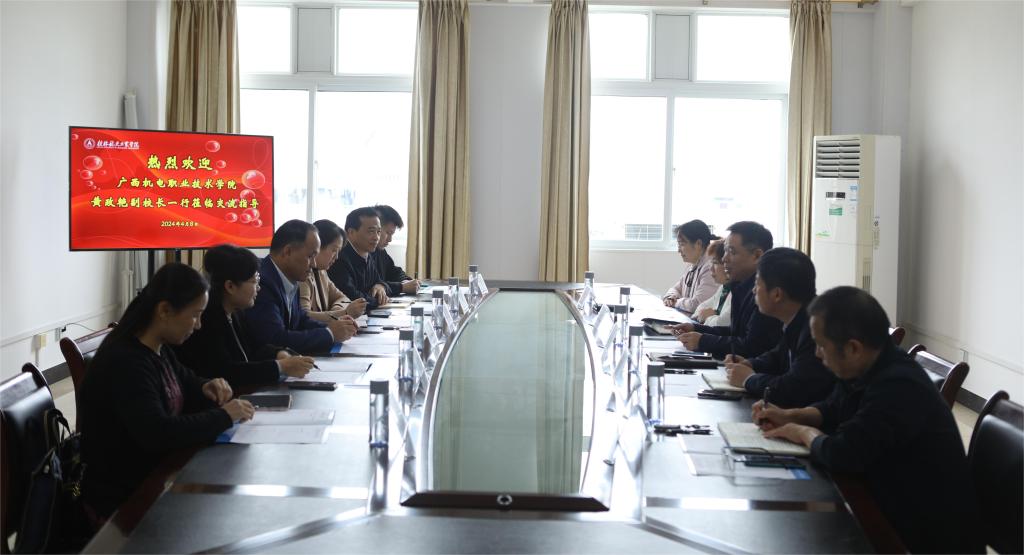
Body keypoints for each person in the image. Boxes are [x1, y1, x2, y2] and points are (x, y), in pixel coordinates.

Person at [752, 287, 984, 554]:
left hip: (924, 535)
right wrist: (790, 415)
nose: (817, 353)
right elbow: (833, 407)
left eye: (821, 345)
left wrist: (802, 432)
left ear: (853, 348)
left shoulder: (898, 385)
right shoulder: (870, 363)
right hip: (888, 504)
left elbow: (844, 453)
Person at [80, 263, 255, 520]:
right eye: (195, 315)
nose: (198, 325)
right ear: (164, 310)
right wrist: (224, 416)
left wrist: (205, 385)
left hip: (156, 475)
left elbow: (184, 380)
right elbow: (159, 433)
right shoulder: (126, 362)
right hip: (127, 496)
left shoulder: (157, 347)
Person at [175, 244, 315, 389]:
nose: (259, 288)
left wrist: (279, 353)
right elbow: (225, 372)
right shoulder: (207, 320)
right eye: (254, 281)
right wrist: (280, 367)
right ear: (230, 286)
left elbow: (254, 348)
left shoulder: (235, 312)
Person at [723, 248, 835, 408]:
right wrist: (751, 364)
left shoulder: (816, 328)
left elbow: (795, 389)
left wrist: (749, 379)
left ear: (777, 294)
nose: (753, 290)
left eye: (757, 284)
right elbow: (778, 355)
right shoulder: (797, 316)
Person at [671, 221, 782, 359]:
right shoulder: (740, 286)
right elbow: (735, 333)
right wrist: (697, 329)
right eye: (725, 251)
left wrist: (703, 341)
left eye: (731, 252)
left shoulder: (765, 292)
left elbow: (752, 347)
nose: (724, 259)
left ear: (757, 256)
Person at [247, 219, 357, 354]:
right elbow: (275, 339)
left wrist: (334, 327)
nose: (314, 263)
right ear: (287, 252)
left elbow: (300, 320)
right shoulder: (263, 283)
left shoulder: (290, 277)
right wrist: (330, 334)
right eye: (310, 256)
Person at [300, 219, 368, 322]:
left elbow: (343, 299)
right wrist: (343, 313)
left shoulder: (322, 272)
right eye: (334, 250)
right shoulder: (302, 275)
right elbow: (304, 317)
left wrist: (336, 311)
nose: (336, 257)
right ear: (318, 246)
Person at [327, 207, 392, 309]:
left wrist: (381, 286)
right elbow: (352, 297)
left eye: (379, 232)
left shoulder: (367, 254)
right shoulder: (339, 258)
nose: (376, 237)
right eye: (371, 231)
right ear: (351, 232)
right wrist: (379, 301)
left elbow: (379, 280)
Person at [663, 220, 719, 315]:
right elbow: (676, 289)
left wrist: (676, 302)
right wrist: (670, 297)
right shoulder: (692, 265)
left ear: (698, 244)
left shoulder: (711, 267)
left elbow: (697, 305)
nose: (679, 250)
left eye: (682, 244)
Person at [374, 204, 420, 295]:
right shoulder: (362, 253)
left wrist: (407, 281)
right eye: (388, 233)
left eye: (392, 234)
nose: (390, 239)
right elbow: (372, 286)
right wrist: (402, 287)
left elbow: (394, 272)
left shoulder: (380, 250)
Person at [692, 239, 731, 327]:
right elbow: (701, 307)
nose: (711, 268)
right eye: (711, 263)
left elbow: (722, 323)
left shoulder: (737, 292)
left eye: (715, 263)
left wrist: (708, 317)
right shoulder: (723, 288)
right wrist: (711, 316)